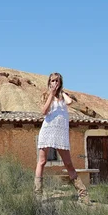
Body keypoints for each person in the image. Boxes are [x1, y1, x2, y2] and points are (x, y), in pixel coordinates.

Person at [34, 72, 90, 203]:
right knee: (42, 161)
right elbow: (44, 111)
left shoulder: (64, 98)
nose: (55, 83)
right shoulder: (45, 95)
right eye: (52, 81)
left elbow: (70, 102)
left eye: (57, 81)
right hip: (48, 130)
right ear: (49, 82)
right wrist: (51, 94)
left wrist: (61, 92)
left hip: (60, 132)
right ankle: (37, 194)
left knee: (68, 163)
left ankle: (83, 193)